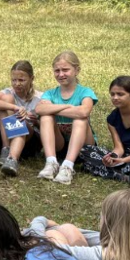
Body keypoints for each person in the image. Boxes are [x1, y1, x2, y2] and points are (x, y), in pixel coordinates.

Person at [77, 76, 130, 182]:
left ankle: (102, 170)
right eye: (112, 94)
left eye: (120, 94)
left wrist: (123, 160)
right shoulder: (112, 118)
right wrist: (112, 157)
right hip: (124, 154)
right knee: (84, 150)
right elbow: (119, 148)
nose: (115, 97)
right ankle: (122, 175)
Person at [37, 51, 98, 185]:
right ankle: (51, 162)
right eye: (57, 71)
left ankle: (68, 167)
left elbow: (84, 111)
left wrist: (54, 108)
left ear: (77, 70)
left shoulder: (85, 92)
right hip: (60, 146)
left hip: (85, 148)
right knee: (46, 117)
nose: (61, 74)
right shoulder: (50, 93)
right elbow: (40, 109)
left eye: (65, 70)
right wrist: (68, 107)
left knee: (80, 120)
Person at [0, 61, 43, 178]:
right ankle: (6, 149)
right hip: (7, 138)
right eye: (14, 80)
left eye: (21, 80)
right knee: (5, 101)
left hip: (29, 143)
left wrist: (35, 121)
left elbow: (47, 126)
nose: (17, 84)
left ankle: (12, 159)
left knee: (20, 121)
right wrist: (15, 108)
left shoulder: (40, 98)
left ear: (32, 79)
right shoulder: (8, 92)